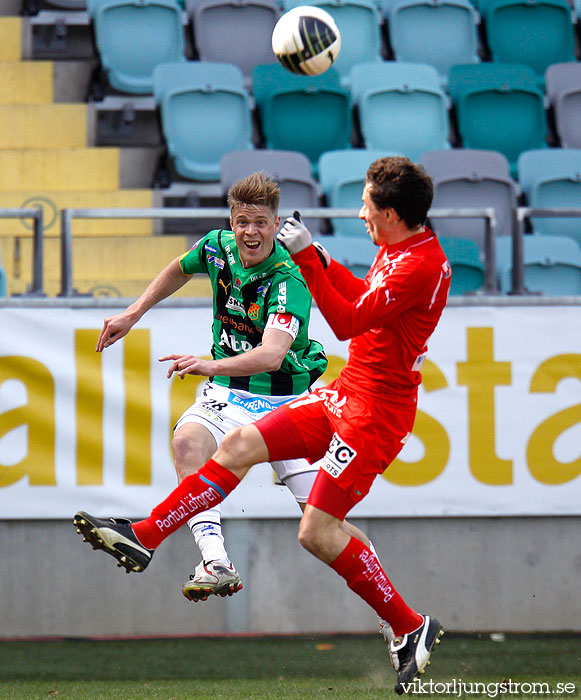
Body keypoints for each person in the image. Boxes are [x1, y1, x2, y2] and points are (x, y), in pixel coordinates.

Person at [74, 156, 451, 693]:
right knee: (242, 444)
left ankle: (409, 625)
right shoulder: (398, 248)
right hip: (345, 392)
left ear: (390, 212)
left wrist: (306, 256)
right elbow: (360, 297)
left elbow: (346, 320)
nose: (361, 212)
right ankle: (145, 536)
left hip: (375, 414)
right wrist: (317, 254)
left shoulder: (420, 265)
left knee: (317, 533)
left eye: (367, 204)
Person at [92, 170, 375, 604]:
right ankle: (216, 562)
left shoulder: (288, 278)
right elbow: (179, 269)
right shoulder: (216, 246)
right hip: (227, 394)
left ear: (276, 223)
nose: (250, 232)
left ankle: (378, 581)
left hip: (287, 403)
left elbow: (271, 355)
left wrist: (206, 364)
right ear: (232, 221)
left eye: (261, 222)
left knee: (322, 526)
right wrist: (133, 313)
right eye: (242, 221)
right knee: (187, 443)